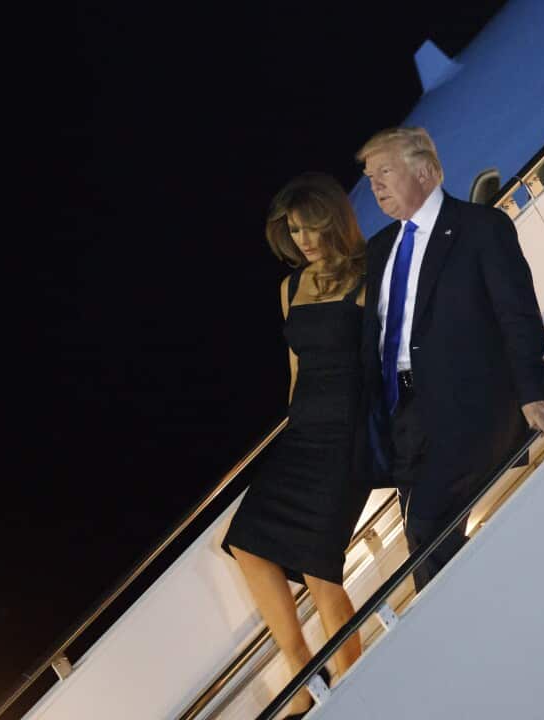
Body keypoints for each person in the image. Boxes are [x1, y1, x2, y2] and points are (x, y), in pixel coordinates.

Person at [358, 127, 544, 591]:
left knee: (429, 528)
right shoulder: (380, 249)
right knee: (423, 538)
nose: (376, 187)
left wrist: (533, 389)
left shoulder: (480, 228)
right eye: (371, 179)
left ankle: (461, 628)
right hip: (403, 417)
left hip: (468, 406)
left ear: (426, 171)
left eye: (385, 172)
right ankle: (486, 612)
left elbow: (517, 314)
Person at [221, 172, 369, 719]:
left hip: (347, 434)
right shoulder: (289, 288)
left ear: (333, 219)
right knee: (246, 541)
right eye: (294, 230)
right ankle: (303, 673)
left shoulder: (366, 274)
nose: (304, 239)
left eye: (311, 226)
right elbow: (295, 367)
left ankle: (356, 686)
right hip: (303, 433)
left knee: (319, 568)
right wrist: (291, 426)